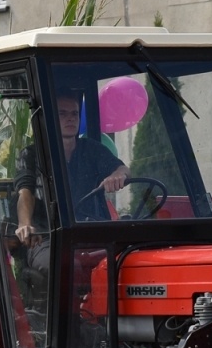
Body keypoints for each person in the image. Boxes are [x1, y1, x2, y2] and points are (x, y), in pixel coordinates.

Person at [14, 92, 130, 241]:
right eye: (62, 113)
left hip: (93, 233)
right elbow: (25, 192)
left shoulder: (92, 149)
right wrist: (25, 224)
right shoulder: (32, 154)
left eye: (74, 113)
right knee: (71, 261)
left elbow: (123, 169)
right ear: (50, 119)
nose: (71, 118)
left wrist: (117, 175)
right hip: (49, 239)